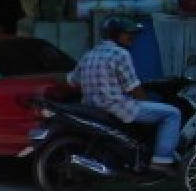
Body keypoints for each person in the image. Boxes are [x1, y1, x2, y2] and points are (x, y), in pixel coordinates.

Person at [67, 16, 181, 172]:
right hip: (117, 108)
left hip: (92, 109)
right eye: (127, 33)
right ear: (115, 35)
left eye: (133, 33)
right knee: (172, 113)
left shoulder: (89, 55)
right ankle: (162, 161)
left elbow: (72, 80)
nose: (132, 37)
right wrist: (146, 101)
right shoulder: (121, 54)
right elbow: (133, 88)